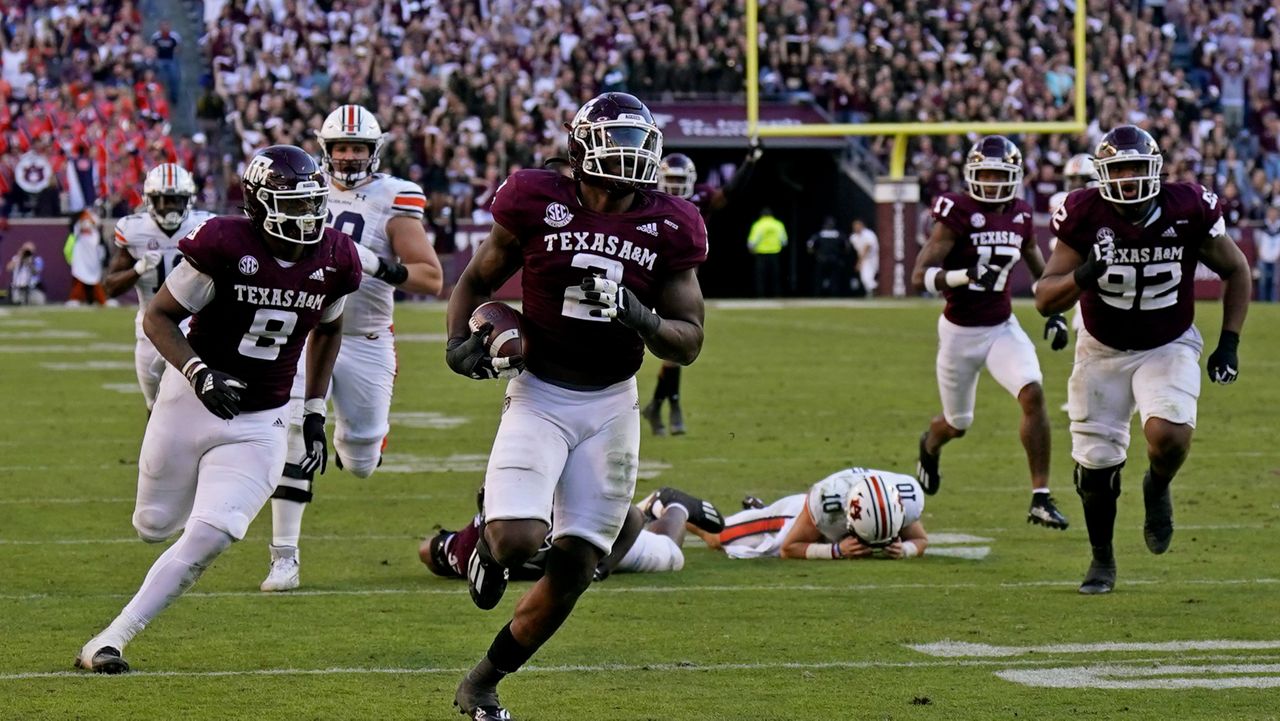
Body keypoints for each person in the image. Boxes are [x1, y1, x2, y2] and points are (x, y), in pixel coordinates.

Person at [443, 92, 707, 721]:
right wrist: (458, 345)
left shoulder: (671, 222)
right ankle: (485, 542)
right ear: (583, 148)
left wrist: (639, 315)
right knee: (514, 541)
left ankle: (482, 683)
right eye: (615, 141)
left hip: (613, 403)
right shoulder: (535, 197)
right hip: (539, 391)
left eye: (637, 143)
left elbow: (690, 339)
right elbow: (478, 278)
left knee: (579, 563)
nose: (629, 157)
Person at [74, 145, 362, 673]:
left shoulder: (337, 257)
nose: (309, 217)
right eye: (293, 205)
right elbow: (158, 317)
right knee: (153, 525)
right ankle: (183, 502)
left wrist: (316, 410)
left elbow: (330, 327)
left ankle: (110, 638)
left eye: (313, 204)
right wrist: (198, 372)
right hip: (190, 400)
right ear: (259, 204)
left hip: (262, 418)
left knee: (214, 533)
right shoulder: (224, 242)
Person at [1036, 125, 1251, 594]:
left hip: (1167, 341)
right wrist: (1086, 272)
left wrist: (1228, 342)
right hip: (1101, 347)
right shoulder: (1082, 212)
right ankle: (1102, 559)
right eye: (1119, 169)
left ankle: (1157, 486)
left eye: (1137, 168)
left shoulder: (1188, 206)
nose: (1129, 178)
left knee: (1169, 435)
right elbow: (1044, 298)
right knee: (1096, 468)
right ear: (1102, 175)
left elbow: (1236, 268)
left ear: (1156, 170)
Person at [260, 104, 443, 593]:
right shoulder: (302, 187)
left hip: (364, 338)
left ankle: (362, 441)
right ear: (324, 149)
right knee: (294, 429)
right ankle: (284, 557)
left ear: (373, 151)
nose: (347, 156)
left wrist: (378, 266)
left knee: (360, 461)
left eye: (357, 147)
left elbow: (430, 277)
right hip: (307, 331)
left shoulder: (392, 198)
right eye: (340, 146)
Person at [911, 135, 1069, 530]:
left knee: (1032, 391)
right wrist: (964, 275)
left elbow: (1041, 269)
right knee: (956, 424)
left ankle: (1040, 497)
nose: (994, 182)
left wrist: (1055, 315)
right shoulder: (957, 210)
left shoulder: (1018, 214)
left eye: (1001, 174)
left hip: (1001, 327)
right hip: (959, 333)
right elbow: (919, 276)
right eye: (987, 174)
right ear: (971, 175)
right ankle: (929, 446)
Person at [643, 145, 761, 436]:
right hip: (654, 274)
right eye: (669, 179)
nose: (673, 186)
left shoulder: (700, 198)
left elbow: (728, 194)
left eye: (679, 180)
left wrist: (749, 162)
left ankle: (661, 406)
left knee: (677, 341)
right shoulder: (649, 200)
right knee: (671, 342)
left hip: (684, 277)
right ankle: (670, 406)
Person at [419, 488, 724, 581]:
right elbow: (429, 551)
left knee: (670, 554)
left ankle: (672, 505)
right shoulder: (469, 547)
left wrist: (602, 567)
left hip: (598, 537)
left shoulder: (559, 507)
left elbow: (628, 518)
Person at [103, 164, 215, 411]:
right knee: (153, 405)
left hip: (192, 323)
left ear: (189, 200)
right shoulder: (134, 230)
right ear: (149, 200)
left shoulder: (205, 226)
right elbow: (109, 288)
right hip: (149, 324)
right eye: (163, 200)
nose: (169, 207)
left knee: (187, 400)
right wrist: (137, 270)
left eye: (176, 200)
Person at [683, 468, 928, 561]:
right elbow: (789, 548)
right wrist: (836, 551)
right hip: (790, 518)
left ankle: (757, 510)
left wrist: (904, 549)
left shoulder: (900, 501)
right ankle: (670, 504)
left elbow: (920, 540)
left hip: (819, 523)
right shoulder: (826, 506)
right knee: (717, 536)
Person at [64, 209, 108, 306]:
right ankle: (75, 298)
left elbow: (101, 248)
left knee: (95, 282)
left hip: (93, 262)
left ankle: (100, 300)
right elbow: (73, 226)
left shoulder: (96, 235)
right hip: (81, 261)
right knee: (79, 279)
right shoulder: (77, 233)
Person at [747, 207, 787, 297]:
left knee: (760, 277)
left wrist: (751, 250)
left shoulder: (758, 225)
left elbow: (752, 242)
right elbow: (784, 241)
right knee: (775, 276)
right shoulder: (778, 224)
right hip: (775, 253)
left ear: (762, 215)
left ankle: (760, 296)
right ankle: (777, 295)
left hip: (761, 254)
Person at [807, 216, 847, 296]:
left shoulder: (819, 234)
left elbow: (810, 244)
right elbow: (846, 245)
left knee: (819, 277)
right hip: (834, 259)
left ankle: (817, 294)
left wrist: (814, 254)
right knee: (834, 278)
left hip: (822, 259)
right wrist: (842, 254)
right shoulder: (838, 234)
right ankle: (834, 294)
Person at [1256, 204, 1280, 302]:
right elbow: (1257, 242)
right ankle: (1263, 301)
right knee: (1263, 281)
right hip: (1263, 257)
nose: (1272, 214)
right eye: (1271, 212)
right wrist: (1259, 254)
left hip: (1276, 257)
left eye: (1275, 212)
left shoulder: (1278, 227)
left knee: (1275, 282)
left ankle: (1273, 301)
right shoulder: (1262, 226)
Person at [849, 217, 878, 296]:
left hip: (872, 258)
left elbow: (867, 248)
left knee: (868, 277)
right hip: (864, 259)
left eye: (857, 226)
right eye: (854, 226)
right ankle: (872, 291)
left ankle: (875, 290)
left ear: (862, 225)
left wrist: (859, 262)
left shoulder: (868, 234)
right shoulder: (853, 237)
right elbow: (859, 251)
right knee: (865, 278)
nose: (856, 228)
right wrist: (860, 260)